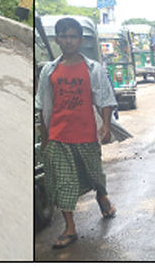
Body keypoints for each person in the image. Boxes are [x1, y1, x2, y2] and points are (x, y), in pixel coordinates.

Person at [35, 17, 118, 249]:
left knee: (95, 174)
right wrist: (45, 138)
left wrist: (106, 126)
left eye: (73, 36)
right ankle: (70, 227)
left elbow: (105, 99)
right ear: (57, 39)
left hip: (86, 135)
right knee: (63, 183)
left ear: (80, 40)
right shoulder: (49, 72)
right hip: (59, 136)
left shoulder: (93, 69)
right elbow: (42, 106)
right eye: (64, 36)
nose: (68, 40)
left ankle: (102, 195)